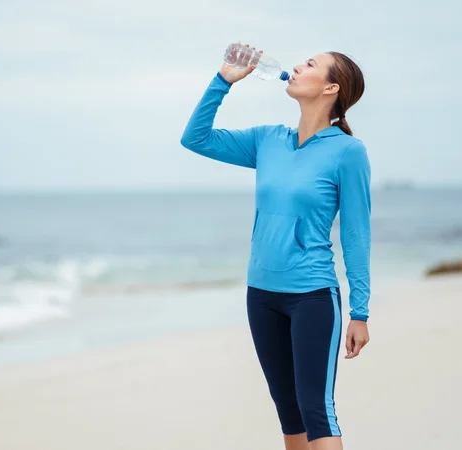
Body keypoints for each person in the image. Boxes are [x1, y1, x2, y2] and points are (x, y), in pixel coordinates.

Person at [180, 43, 371, 450]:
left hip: (313, 295)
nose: (298, 66)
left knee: (317, 411)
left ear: (330, 88)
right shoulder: (267, 140)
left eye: (311, 64)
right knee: (287, 411)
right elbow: (195, 139)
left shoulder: (348, 153)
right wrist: (222, 82)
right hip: (262, 293)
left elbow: (356, 234)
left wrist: (360, 311)